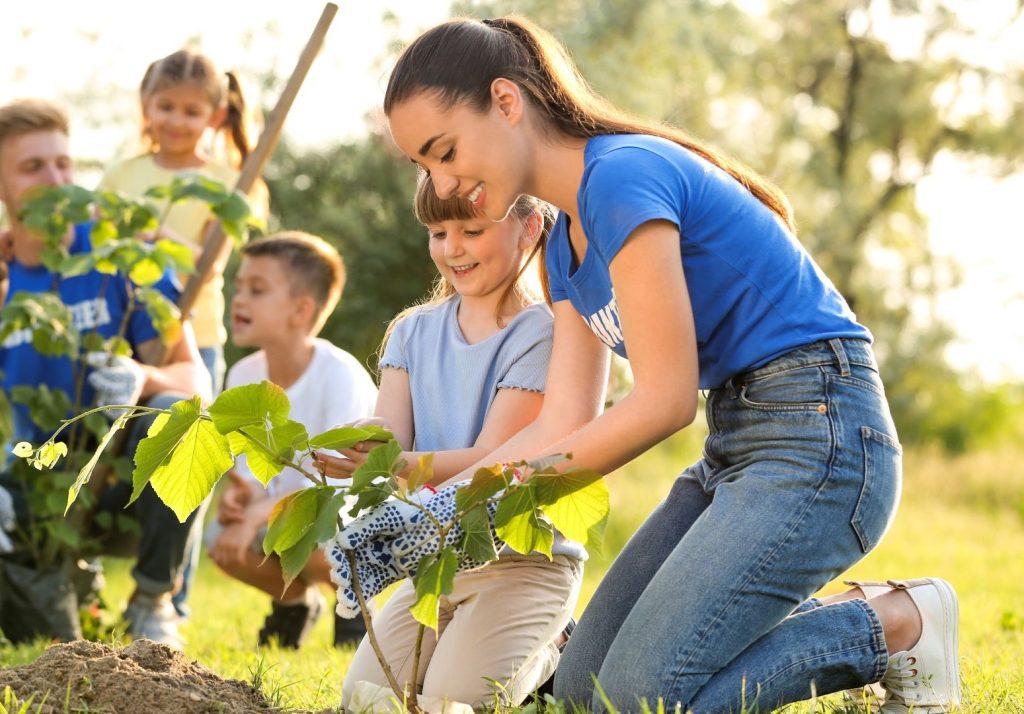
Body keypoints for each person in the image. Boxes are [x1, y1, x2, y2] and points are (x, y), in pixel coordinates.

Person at [379, 16, 961, 714]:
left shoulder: (622, 177)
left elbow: (663, 400)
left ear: (507, 102)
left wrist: (466, 506)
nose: (444, 183)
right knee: (586, 692)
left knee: (635, 702)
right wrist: (445, 508)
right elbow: (561, 423)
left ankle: (895, 626)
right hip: (738, 443)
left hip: (824, 436)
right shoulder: (563, 248)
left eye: (444, 152)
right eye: (424, 167)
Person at [318, 176, 587, 711]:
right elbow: (389, 436)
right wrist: (346, 453)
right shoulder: (412, 332)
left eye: (471, 229)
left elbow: (490, 461)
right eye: (438, 232)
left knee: (456, 702)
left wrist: (394, 462)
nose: (453, 247)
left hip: (523, 562)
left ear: (528, 228)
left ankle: (557, 650)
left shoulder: (541, 332)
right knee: (366, 699)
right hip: (437, 558)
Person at [0, 98, 211, 648]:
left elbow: (195, 379)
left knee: (180, 419)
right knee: (41, 637)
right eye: (32, 168)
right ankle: (69, 585)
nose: (57, 181)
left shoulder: (122, 258)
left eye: (64, 164)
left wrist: (144, 378)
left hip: (123, 480)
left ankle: (152, 599)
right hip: (34, 488)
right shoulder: (4, 284)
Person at [99, 48, 269, 618]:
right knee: (106, 452)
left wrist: (162, 245)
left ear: (215, 116)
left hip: (197, 337)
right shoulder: (124, 174)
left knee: (188, 458)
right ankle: (89, 575)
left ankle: (171, 597)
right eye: (164, 106)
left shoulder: (228, 182)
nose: (175, 120)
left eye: (190, 111)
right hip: (123, 336)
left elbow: (220, 257)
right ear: (145, 107)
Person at [205, 231, 377, 649]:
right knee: (220, 540)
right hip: (281, 515)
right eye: (238, 286)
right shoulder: (242, 375)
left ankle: (356, 610)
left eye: (257, 290)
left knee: (321, 542)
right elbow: (250, 468)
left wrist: (256, 517)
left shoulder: (338, 373)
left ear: (302, 310)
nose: (239, 299)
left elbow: (336, 485)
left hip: (347, 517)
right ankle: (294, 603)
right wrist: (242, 499)